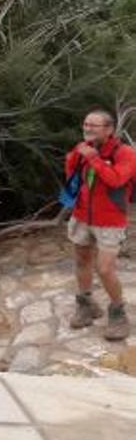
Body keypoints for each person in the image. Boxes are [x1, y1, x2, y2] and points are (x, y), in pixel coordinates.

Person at [66, 108, 133, 340]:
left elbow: (116, 179)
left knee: (104, 269)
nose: (87, 128)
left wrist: (93, 158)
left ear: (109, 129)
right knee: (82, 261)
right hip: (82, 215)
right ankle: (86, 304)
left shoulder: (126, 153)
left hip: (110, 220)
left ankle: (118, 312)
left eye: (94, 125)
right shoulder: (83, 148)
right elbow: (71, 173)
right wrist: (78, 155)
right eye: (86, 124)